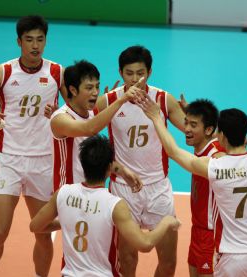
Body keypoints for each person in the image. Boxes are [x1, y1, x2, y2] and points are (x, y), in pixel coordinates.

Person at [139, 98, 247, 277]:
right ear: (245, 136)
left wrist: (156, 117)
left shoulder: (215, 164)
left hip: (226, 250)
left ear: (221, 136)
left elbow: (173, 151)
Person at [0, 15, 67, 277]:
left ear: (46, 40)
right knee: (0, 232)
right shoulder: (3, 72)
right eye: (29, 40)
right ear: (19, 41)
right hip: (9, 160)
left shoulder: (57, 72)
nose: (35, 46)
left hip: (44, 161)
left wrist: (59, 113)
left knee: (42, 233)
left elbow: (76, 112)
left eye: (40, 39)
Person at [30, 134, 181, 276]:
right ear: (110, 168)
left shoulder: (63, 194)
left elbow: (35, 226)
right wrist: (166, 222)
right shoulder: (114, 205)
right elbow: (144, 244)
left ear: (82, 163)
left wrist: (66, 221)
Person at [95, 45, 186, 277]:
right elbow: (83, 125)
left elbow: (191, 131)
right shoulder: (109, 101)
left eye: (140, 73)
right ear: (120, 72)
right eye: (129, 73)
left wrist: (193, 114)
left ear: (150, 72)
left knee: (168, 263)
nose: (135, 79)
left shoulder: (164, 100)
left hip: (158, 188)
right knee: (127, 259)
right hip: (123, 189)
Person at [50, 60, 144, 192]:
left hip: (93, 193)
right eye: (89, 88)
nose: (95, 92)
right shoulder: (60, 118)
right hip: (68, 196)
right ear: (73, 90)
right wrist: (121, 99)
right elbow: (88, 129)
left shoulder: (93, 113)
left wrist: (122, 171)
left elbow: (94, 158)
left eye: (97, 86)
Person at [184, 99, 225, 277]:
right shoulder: (201, 145)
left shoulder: (216, 155)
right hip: (197, 229)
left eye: (193, 125)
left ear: (208, 130)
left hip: (210, 234)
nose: (186, 129)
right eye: (186, 122)